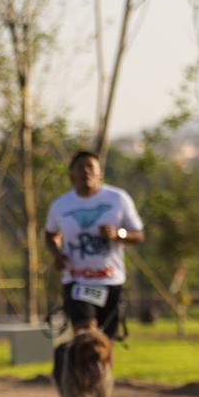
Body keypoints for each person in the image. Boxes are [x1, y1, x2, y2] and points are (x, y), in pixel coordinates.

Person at [44, 150, 145, 378]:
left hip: (110, 281)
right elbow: (50, 235)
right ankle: (82, 387)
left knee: (105, 344)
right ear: (72, 174)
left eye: (91, 167)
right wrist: (57, 254)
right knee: (86, 335)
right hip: (78, 281)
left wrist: (118, 234)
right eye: (81, 167)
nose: (86, 171)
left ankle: (101, 393)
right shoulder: (61, 205)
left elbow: (139, 235)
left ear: (101, 174)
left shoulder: (117, 199)